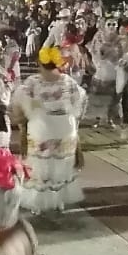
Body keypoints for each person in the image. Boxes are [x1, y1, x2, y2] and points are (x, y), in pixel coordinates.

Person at [12, 46, 87, 213]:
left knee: (40, 165)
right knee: (61, 163)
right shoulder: (68, 81)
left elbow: (18, 106)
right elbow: (80, 104)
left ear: (40, 62)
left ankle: (37, 203)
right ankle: (58, 200)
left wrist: (22, 126)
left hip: (42, 128)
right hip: (65, 128)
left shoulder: (32, 82)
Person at [86, 18, 123, 127]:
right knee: (98, 97)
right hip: (101, 70)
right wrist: (96, 62)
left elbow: (122, 54)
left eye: (114, 24)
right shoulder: (98, 37)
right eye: (109, 24)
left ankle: (110, 118)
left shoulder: (119, 40)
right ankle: (97, 119)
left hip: (114, 71)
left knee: (112, 98)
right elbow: (93, 51)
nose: (111, 26)